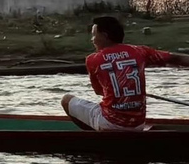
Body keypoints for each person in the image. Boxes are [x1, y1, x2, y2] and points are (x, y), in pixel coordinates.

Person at [61, 16, 189, 131]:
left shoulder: (93, 59)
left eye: (94, 35)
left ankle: (95, 138)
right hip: (138, 125)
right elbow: (175, 58)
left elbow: (99, 92)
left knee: (66, 100)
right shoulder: (139, 51)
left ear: (104, 36)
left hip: (110, 124)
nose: (92, 40)